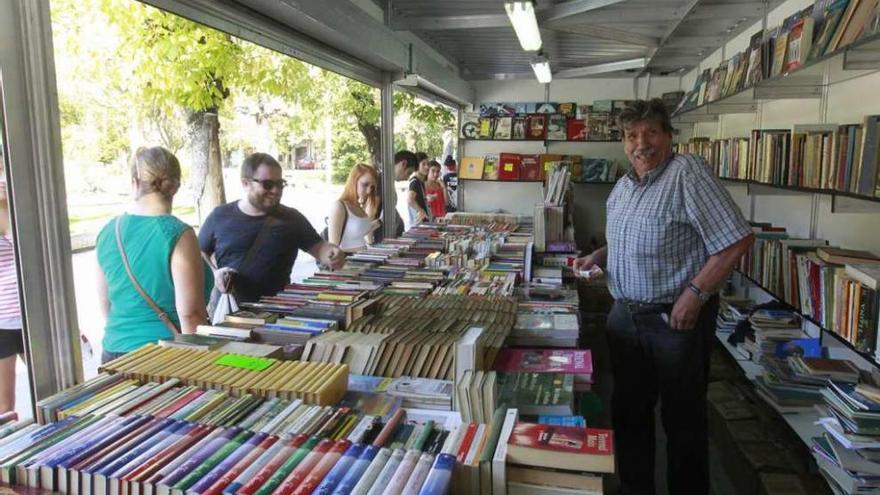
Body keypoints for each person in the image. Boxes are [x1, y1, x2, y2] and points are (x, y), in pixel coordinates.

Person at [572, 98, 754, 495]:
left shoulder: (687, 172)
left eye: (652, 131)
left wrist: (695, 292)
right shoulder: (622, 186)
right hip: (625, 317)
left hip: (675, 321)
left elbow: (736, 239)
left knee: (683, 422)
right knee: (630, 415)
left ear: (669, 136)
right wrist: (598, 255)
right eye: (633, 135)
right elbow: (625, 240)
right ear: (623, 142)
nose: (643, 142)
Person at [96, 147, 212, 364]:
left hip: (114, 351)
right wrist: (197, 365)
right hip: (163, 355)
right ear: (175, 186)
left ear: (135, 182)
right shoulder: (178, 234)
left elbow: (106, 303)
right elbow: (191, 314)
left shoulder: (109, 231)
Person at [199, 152, 345, 303]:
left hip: (276, 312)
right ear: (245, 183)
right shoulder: (220, 215)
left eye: (280, 184)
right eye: (267, 184)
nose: (275, 191)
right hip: (228, 311)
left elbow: (319, 248)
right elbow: (201, 252)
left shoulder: (292, 218)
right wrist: (215, 273)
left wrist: (332, 253)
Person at [0, 179, 22, 413]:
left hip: (30, 317)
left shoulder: (19, 210)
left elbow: (30, 254)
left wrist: (5, 209)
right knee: (5, 407)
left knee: (52, 393)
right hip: (2, 324)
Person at [328, 163, 382, 252]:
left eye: (372, 187)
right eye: (365, 184)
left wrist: (381, 220)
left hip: (364, 259)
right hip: (348, 261)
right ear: (354, 181)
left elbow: (360, 230)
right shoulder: (339, 206)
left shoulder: (359, 206)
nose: (369, 191)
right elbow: (333, 248)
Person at [407, 152, 431, 225]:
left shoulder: (420, 182)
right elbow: (410, 200)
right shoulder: (415, 182)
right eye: (423, 164)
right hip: (418, 225)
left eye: (428, 164)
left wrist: (426, 199)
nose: (427, 167)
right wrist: (421, 210)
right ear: (417, 166)